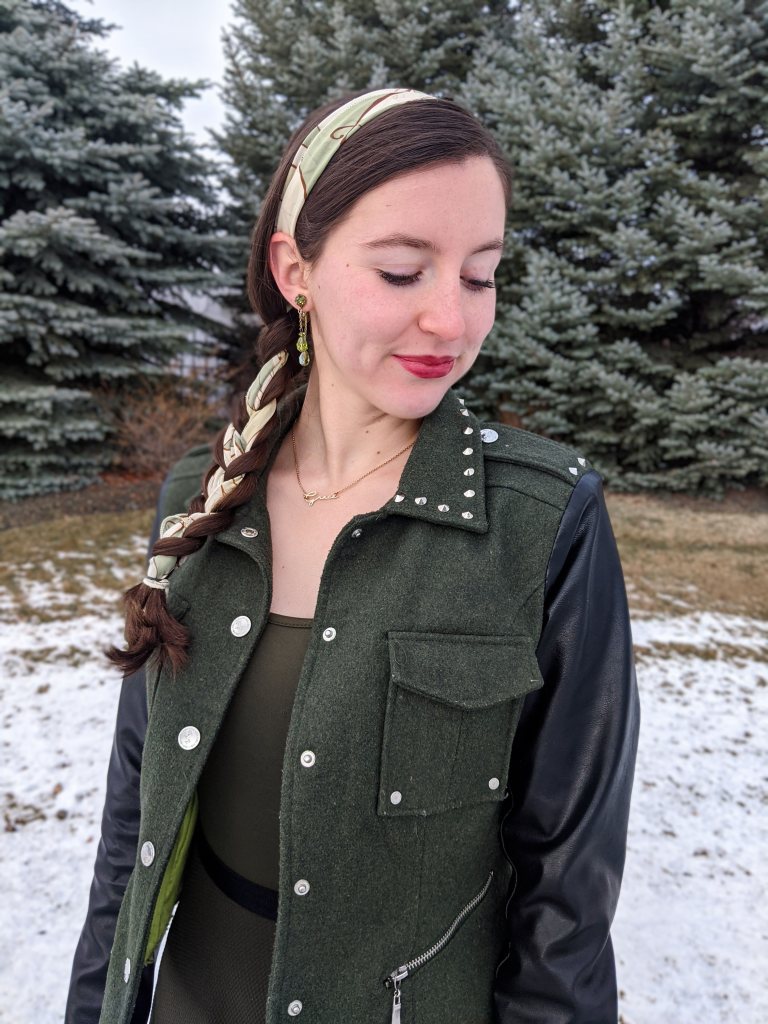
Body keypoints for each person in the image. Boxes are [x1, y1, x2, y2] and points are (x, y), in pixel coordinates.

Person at [66, 88, 640, 1024]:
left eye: (481, 276)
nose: (453, 324)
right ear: (297, 269)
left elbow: (566, 904)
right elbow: (134, 821)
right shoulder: (201, 505)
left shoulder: (545, 524)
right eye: (405, 272)